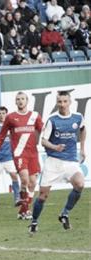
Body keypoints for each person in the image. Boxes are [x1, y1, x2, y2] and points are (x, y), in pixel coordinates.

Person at [29, 91, 86, 234]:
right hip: (53, 161)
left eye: (65, 101)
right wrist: (55, 147)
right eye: (59, 102)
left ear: (70, 102)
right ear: (57, 103)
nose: (62, 104)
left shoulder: (78, 117)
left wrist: (83, 149)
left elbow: (83, 129)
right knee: (43, 196)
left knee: (80, 184)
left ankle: (64, 214)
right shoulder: (52, 120)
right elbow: (43, 140)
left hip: (71, 161)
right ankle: (34, 222)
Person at [0, 92, 43, 219]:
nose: (20, 101)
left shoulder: (35, 116)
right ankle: (24, 208)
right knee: (24, 179)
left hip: (33, 154)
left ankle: (23, 210)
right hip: (19, 153)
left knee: (33, 182)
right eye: (18, 99)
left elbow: (44, 131)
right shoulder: (10, 117)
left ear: (27, 101)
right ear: (15, 102)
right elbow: (1, 135)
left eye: (22, 99)